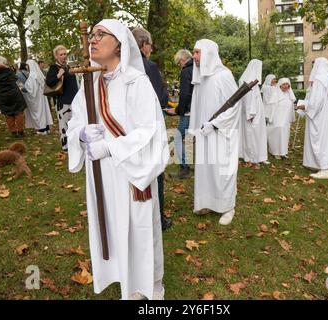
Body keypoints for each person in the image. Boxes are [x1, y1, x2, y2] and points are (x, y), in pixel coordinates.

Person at [66, 19, 169, 300]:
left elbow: (151, 132)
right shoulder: (90, 83)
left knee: (137, 229)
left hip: (130, 174)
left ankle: (146, 285)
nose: (93, 40)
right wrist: (83, 136)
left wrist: (110, 148)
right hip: (102, 174)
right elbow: (74, 124)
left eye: (101, 35)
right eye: (92, 35)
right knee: (111, 225)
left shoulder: (137, 83)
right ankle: (121, 275)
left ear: (120, 44)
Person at [188, 39, 240, 226]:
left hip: (221, 133)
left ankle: (227, 207)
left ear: (208, 53)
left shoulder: (224, 75)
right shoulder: (201, 77)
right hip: (205, 133)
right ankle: (207, 202)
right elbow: (197, 105)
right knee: (206, 170)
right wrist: (198, 127)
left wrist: (215, 124)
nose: (194, 57)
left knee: (222, 171)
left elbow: (234, 106)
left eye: (197, 52)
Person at [132, 27, 171, 231]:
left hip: (129, 130)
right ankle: (158, 219)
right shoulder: (148, 66)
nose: (151, 48)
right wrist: (164, 91)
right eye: (150, 44)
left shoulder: (122, 64)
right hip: (149, 127)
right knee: (156, 173)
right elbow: (160, 99)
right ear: (143, 45)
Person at [297, 57, 328, 179]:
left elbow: (316, 102)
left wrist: (305, 106)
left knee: (319, 140)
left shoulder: (320, 80)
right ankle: (317, 164)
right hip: (326, 117)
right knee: (325, 140)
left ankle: (324, 169)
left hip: (319, 117)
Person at [46, 45, 79, 151]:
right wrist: (58, 75)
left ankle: (75, 144)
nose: (64, 56)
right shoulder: (54, 68)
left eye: (65, 54)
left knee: (74, 124)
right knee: (64, 125)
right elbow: (49, 82)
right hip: (63, 102)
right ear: (56, 56)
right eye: (61, 54)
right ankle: (66, 146)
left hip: (74, 101)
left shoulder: (68, 67)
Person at [238, 59, 269, 165]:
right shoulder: (248, 80)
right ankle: (252, 157)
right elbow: (247, 99)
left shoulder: (252, 81)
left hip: (257, 112)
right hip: (252, 113)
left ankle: (259, 156)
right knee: (252, 135)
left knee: (258, 134)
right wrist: (250, 113)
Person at [171, 49, 194, 178]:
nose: (179, 65)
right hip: (197, 110)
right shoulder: (197, 69)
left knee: (178, 138)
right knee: (191, 138)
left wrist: (179, 110)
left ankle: (184, 168)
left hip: (188, 111)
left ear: (183, 59)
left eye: (179, 62)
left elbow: (185, 94)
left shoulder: (186, 71)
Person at [0, 56, 27, 137]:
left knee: (8, 114)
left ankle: (13, 131)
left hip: (2, 96)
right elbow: (15, 79)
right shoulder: (9, 71)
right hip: (14, 94)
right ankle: (20, 130)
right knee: (18, 112)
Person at [266, 78, 296, 159]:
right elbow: (271, 107)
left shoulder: (289, 95)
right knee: (276, 134)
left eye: (287, 84)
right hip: (277, 119)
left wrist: (291, 118)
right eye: (284, 84)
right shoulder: (276, 94)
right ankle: (275, 152)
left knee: (285, 135)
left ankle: (283, 152)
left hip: (285, 120)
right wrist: (271, 118)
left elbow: (291, 109)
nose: (286, 86)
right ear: (280, 85)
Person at [24, 59, 53, 135]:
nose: (26, 68)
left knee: (38, 113)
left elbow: (31, 89)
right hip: (41, 97)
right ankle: (46, 128)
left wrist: (23, 88)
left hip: (36, 98)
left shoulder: (32, 76)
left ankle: (41, 130)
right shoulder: (38, 74)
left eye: (27, 66)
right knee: (43, 112)